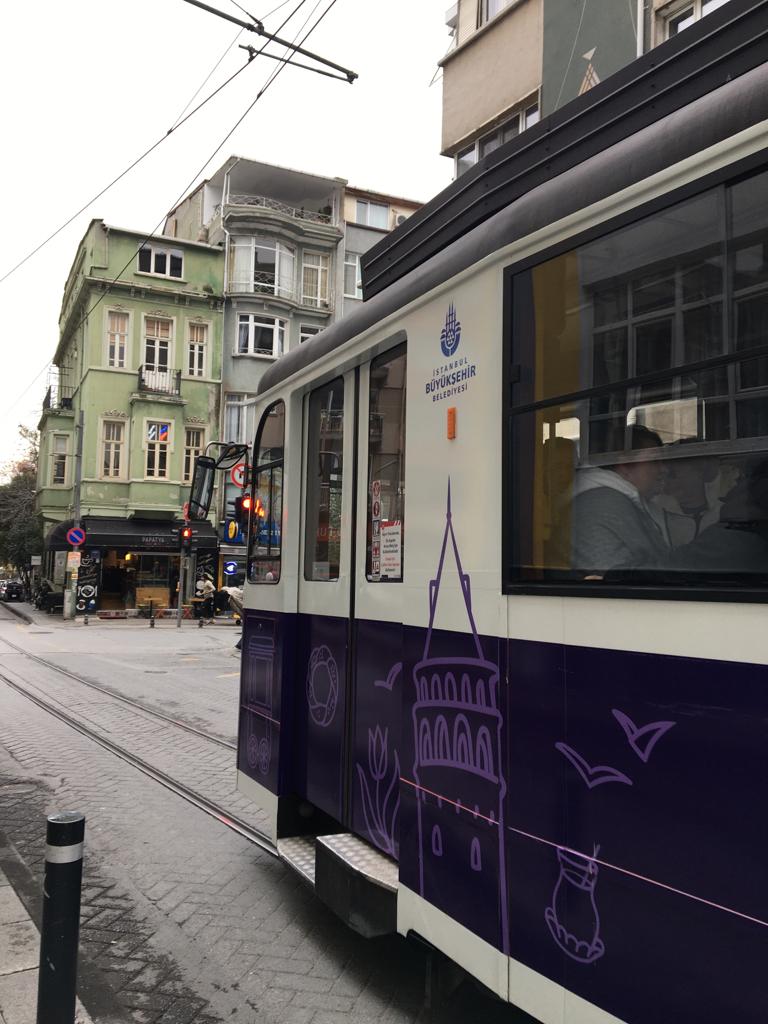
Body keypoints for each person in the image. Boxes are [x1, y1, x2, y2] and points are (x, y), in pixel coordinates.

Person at [570, 424, 669, 575]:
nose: (664, 469)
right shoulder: (600, 507)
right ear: (626, 465)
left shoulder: (625, 500)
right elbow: (611, 577)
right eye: (654, 461)